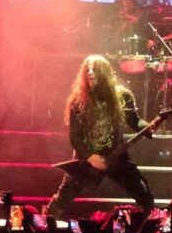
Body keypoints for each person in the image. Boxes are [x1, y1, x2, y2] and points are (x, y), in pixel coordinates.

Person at [47, 55, 156, 217]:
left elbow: (134, 120)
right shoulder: (78, 101)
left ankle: (147, 226)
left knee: (144, 195)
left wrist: (147, 127)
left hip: (116, 155)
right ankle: (45, 224)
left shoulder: (122, 96)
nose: (90, 72)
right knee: (62, 198)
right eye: (87, 69)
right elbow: (75, 137)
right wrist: (91, 157)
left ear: (104, 73)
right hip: (86, 159)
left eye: (94, 69)